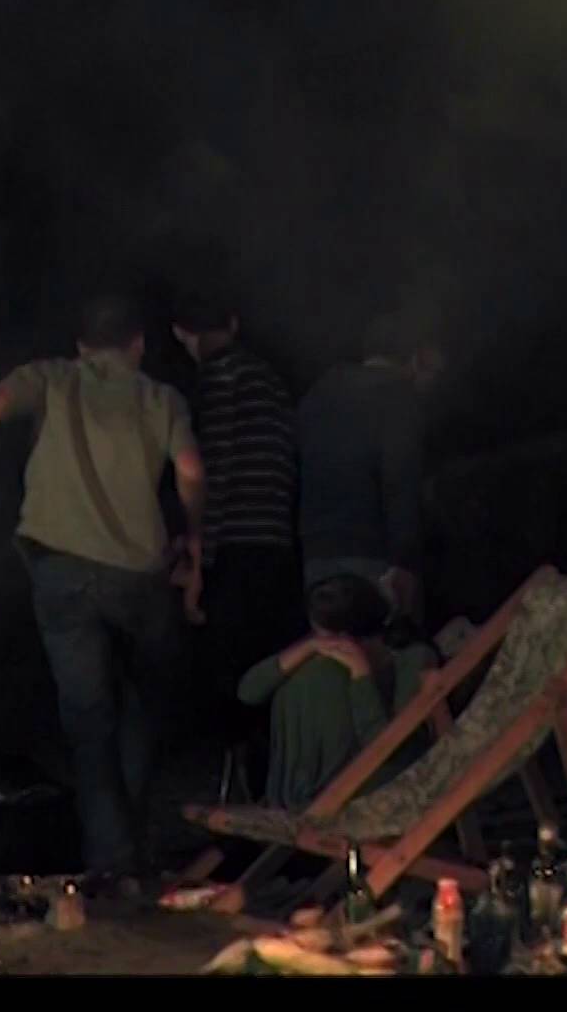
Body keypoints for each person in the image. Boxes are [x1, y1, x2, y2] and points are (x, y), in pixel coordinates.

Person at [0, 293, 206, 885]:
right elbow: (192, 471)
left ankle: (110, 860)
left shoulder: (50, 378)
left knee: (88, 720)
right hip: (140, 576)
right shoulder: (161, 398)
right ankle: (135, 843)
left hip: (61, 570)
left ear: (80, 345)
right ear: (138, 345)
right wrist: (197, 537)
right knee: (142, 706)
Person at [170, 291, 302, 794]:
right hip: (275, 545)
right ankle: (278, 791)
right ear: (233, 323)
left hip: (234, 552)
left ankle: (243, 797)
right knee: (270, 675)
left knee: (234, 682)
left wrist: (198, 559)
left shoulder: (217, 383)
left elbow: (215, 474)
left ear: (183, 333)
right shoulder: (270, 381)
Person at [236, 574, 438, 809]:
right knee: (308, 677)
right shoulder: (324, 655)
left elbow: (389, 748)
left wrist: (361, 677)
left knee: (320, 676)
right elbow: (248, 692)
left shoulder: (411, 659)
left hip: (379, 781)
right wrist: (309, 647)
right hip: (316, 791)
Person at [296, 309, 443, 622]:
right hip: (375, 556)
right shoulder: (399, 399)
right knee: (389, 646)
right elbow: (400, 480)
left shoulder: (316, 398)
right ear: (415, 359)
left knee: (334, 647)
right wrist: (404, 561)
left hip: (317, 556)